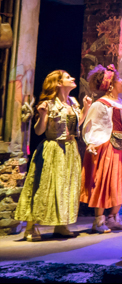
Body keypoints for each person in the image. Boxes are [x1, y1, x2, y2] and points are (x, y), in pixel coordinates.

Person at [16, 71, 92, 241]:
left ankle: (61, 225)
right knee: (43, 187)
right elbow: (38, 131)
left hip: (70, 150)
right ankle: (30, 226)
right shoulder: (48, 104)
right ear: (58, 83)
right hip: (52, 149)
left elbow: (75, 126)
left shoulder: (73, 102)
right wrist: (43, 115)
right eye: (67, 77)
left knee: (66, 187)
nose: (72, 79)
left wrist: (86, 110)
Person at [80, 65, 122, 233]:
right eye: (119, 79)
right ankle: (99, 220)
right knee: (104, 182)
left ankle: (113, 217)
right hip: (109, 145)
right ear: (111, 85)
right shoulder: (101, 104)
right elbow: (92, 125)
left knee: (121, 181)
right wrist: (92, 142)